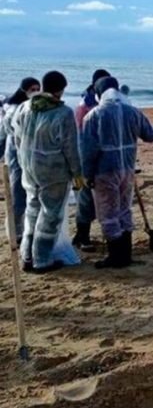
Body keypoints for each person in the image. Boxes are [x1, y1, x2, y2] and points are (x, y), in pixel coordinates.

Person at [81, 77, 153, 269]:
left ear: (98, 94)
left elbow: (88, 151)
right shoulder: (133, 112)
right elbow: (150, 135)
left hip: (104, 171)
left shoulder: (94, 115)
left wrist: (86, 175)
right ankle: (125, 254)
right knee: (124, 209)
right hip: (127, 170)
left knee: (108, 213)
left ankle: (116, 257)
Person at [13, 71, 83, 273]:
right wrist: (77, 173)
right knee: (50, 216)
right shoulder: (62, 113)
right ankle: (41, 259)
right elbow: (70, 147)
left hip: (28, 168)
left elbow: (18, 138)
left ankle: (26, 256)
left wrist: (23, 160)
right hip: (53, 172)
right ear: (60, 89)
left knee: (32, 211)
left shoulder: (25, 107)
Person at [73, 69, 112, 252]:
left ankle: (84, 234)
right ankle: (82, 236)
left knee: (97, 198)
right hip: (85, 159)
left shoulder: (101, 103)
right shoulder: (84, 106)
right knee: (85, 198)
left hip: (102, 158)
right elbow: (82, 138)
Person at [0, 77, 41, 243]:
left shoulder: (33, 108)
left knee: (29, 194)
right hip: (16, 155)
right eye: (32, 88)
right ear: (23, 89)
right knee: (17, 193)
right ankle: (15, 232)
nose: (35, 92)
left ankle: (24, 229)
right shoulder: (15, 108)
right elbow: (5, 131)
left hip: (29, 155)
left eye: (38, 88)